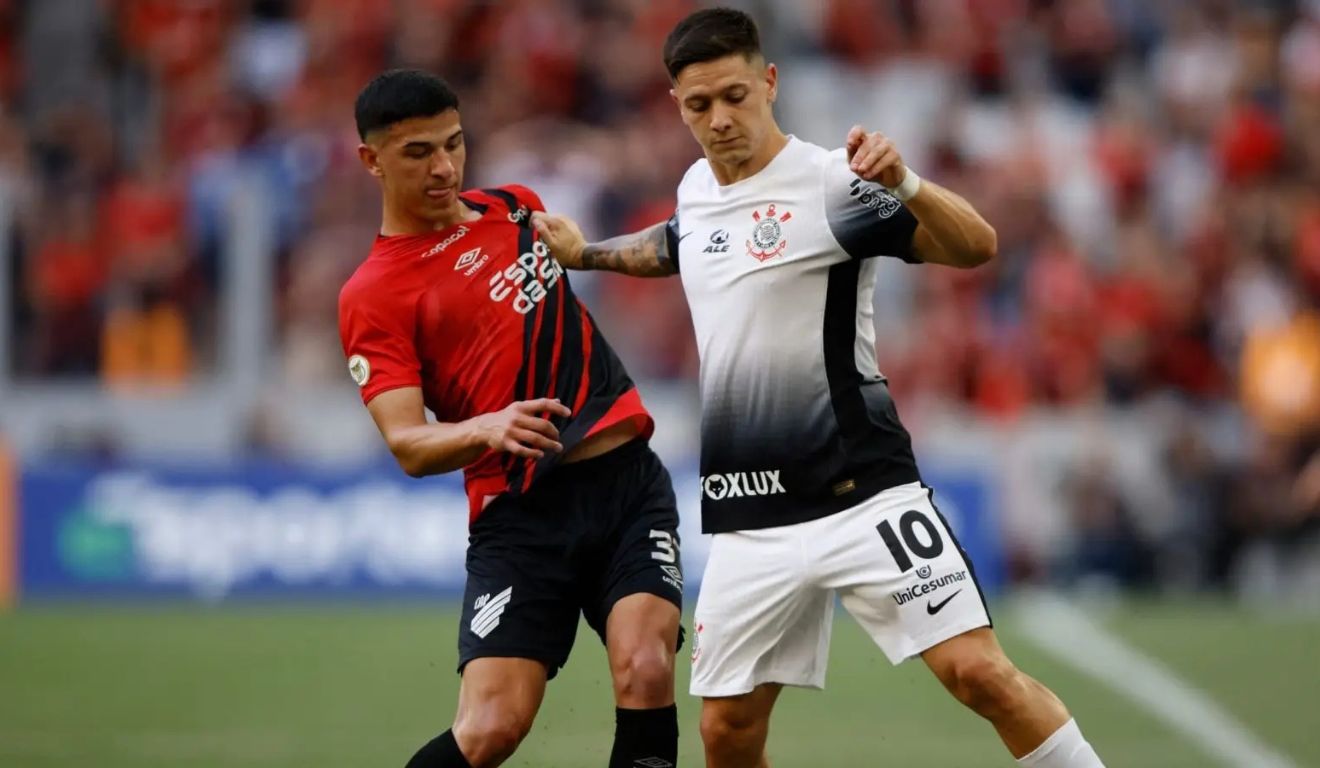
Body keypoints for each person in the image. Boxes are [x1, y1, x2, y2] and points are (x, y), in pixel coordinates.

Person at [532, 8, 1106, 768]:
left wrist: (905, 181)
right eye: (699, 104)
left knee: (978, 673)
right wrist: (591, 255)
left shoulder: (834, 182)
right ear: (678, 106)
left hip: (863, 495)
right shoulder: (698, 188)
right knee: (727, 734)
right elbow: (676, 245)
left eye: (734, 95)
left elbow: (976, 246)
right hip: (749, 515)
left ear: (769, 82)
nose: (720, 118)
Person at [338, 69, 683, 768]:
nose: (444, 167)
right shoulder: (372, 294)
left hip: (626, 488)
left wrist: (586, 250)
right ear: (370, 160)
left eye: (454, 144)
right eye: (418, 153)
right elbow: (406, 441)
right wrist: (484, 427)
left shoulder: (516, 208)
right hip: (521, 513)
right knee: (493, 728)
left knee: (645, 667)